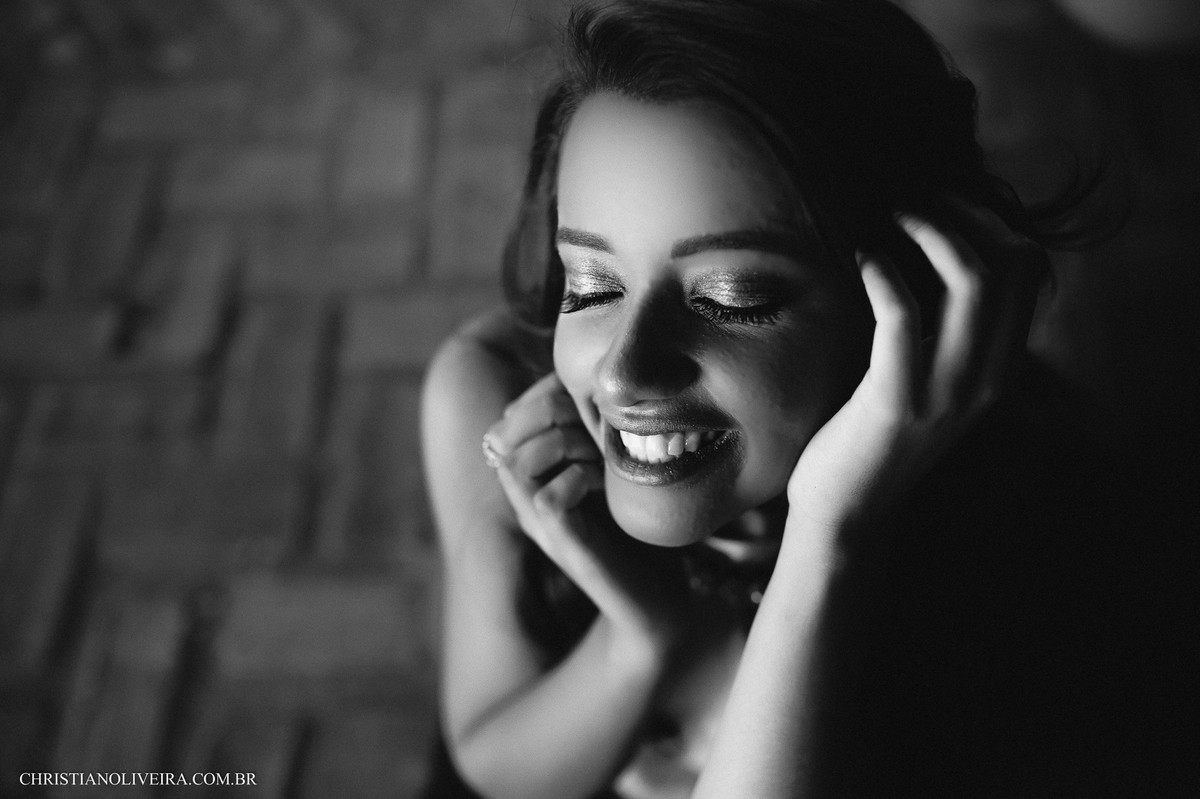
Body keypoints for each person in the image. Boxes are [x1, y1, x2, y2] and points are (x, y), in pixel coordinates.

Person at [420, 1, 1194, 796]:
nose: (622, 375)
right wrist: (643, 641)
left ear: (904, 301)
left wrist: (831, 530)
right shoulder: (495, 395)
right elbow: (495, 765)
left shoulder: (1040, 535)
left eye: (731, 297)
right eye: (590, 286)